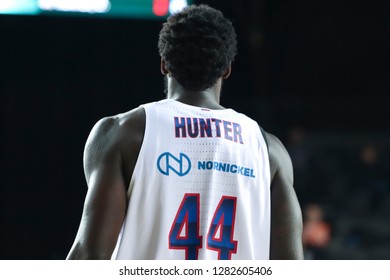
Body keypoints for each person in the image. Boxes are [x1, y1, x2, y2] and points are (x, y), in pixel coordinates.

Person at [66, 4, 303, 260]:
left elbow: (91, 255)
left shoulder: (123, 133)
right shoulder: (269, 151)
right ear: (226, 69)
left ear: (164, 64)